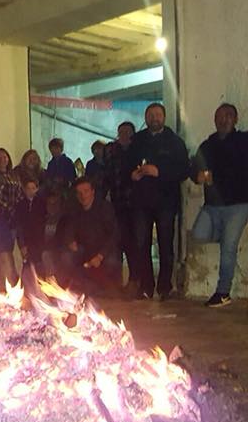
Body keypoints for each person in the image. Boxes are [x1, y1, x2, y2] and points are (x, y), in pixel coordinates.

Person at [192, 82, 248, 307]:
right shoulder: (207, 145)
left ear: (235, 119)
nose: (224, 119)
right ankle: (226, 235)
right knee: (199, 234)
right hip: (212, 206)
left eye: (228, 116)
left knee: (228, 248)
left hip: (238, 205)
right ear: (214, 120)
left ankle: (223, 292)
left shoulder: (243, 141)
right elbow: (193, 168)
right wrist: (198, 176)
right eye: (220, 116)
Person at [124, 103, 190, 300]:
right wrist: (132, 175)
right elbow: (126, 165)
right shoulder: (137, 141)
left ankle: (164, 287)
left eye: (158, 114)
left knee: (165, 245)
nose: (154, 118)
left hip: (166, 202)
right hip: (141, 202)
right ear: (146, 118)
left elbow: (183, 170)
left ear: (164, 117)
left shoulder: (175, 142)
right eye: (150, 115)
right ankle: (146, 287)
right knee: (141, 244)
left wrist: (159, 172)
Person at [59, 178, 120, 295]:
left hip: (104, 251)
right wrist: (70, 241)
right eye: (79, 193)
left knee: (111, 262)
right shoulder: (75, 210)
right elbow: (68, 229)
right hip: (84, 250)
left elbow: (114, 235)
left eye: (86, 191)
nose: (83, 196)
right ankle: (74, 287)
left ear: (93, 192)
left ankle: (105, 287)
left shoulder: (104, 208)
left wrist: (100, 256)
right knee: (66, 257)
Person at [107, 122, 138, 289]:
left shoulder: (137, 150)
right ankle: (115, 281)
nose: (124, 135)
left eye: (128, 132)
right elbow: (107, 175)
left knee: (132, 243)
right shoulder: (112, 151)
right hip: (116, 203)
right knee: (116, 242)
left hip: (135, 205)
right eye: (121, 132)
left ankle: (135, 279)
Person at [15, 178, 46, 269]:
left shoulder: (41, 203)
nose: (30, 191)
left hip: (38, 238)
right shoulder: (20, 204)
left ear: (37, 189)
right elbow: (19, 225)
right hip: (25, 236)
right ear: (24, 190)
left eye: (33, 188)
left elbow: (41, 223)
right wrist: (22, 244)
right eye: (28, 188)